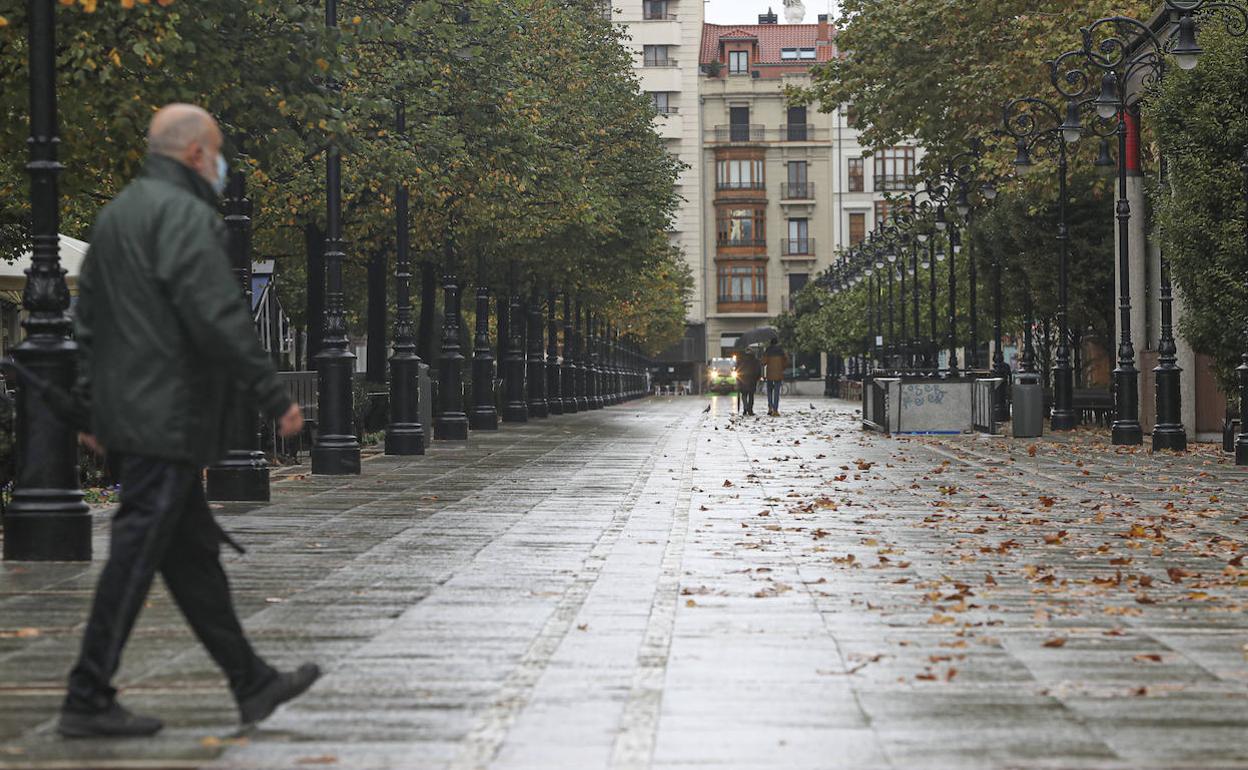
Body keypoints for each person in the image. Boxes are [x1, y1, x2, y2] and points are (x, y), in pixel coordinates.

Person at [59, 104, 319, 739]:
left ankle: (251, 682)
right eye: (219, 151)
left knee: (192, 555)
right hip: (165, 416)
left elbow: (87, 320)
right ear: (198, 154)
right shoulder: (187, 216)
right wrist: (272, 393)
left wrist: (90, 405)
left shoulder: (118, 214)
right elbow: (215, 314)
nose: (221, 164)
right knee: (134, 554)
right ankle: (87, 696)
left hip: (135, 414)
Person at [762, 337, 789, 416]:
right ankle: (775, 410)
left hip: (770, 374)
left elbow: (763, 362)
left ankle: (770, 407)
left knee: (769, 391)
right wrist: (782, 368)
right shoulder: (781, 351)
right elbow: (786, 361)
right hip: (779, 374)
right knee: (776, 392)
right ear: (777, 343)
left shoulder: (768, 350)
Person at [735, 349, 761, 415]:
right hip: (752, 379)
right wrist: (757, 378)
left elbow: (737, 370)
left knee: (744, 394)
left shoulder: (741, 360)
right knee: (751, 396)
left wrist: (738, 378)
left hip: (743, 379)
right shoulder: (755, 361)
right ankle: (750, 409)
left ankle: (745, 407)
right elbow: (758, 370)